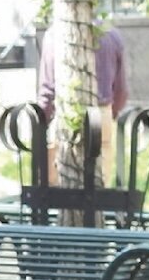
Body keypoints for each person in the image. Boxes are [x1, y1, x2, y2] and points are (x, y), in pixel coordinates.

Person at [37, 20, 128, 185]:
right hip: (102, 111)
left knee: (56, 184)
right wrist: (112, 112)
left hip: (65, 110)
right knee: (99, 181)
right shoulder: (111, 34)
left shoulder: (55, 34)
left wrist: (43, 117)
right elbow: (120, 88)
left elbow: (48, 85)